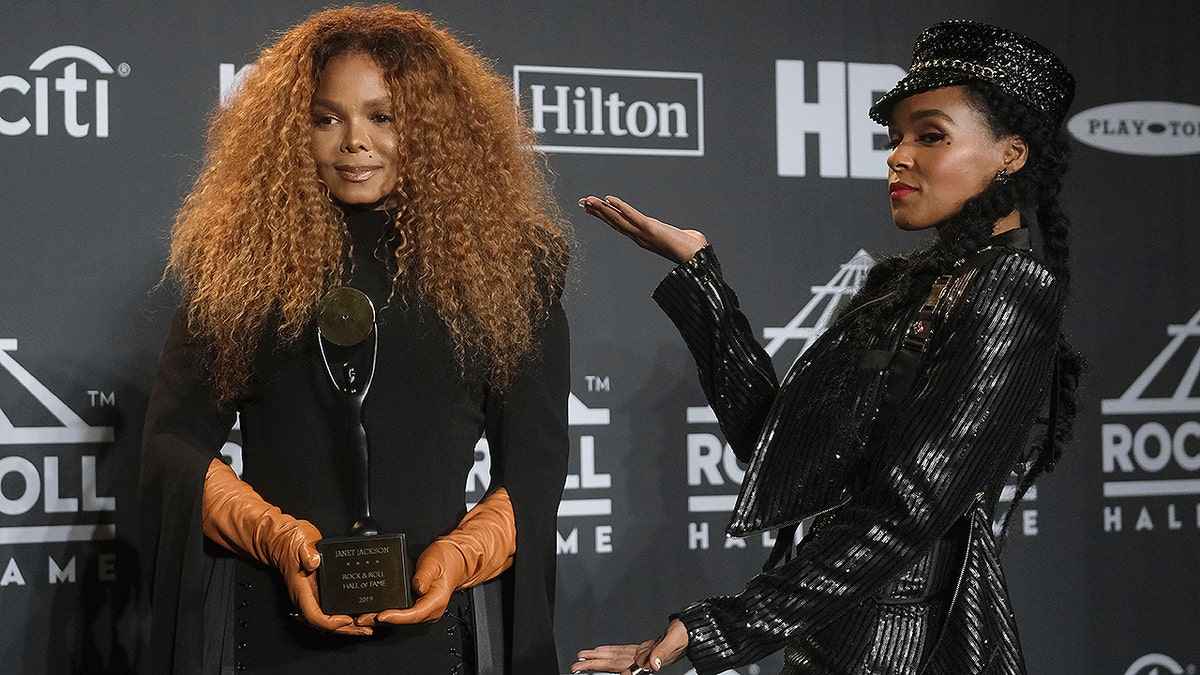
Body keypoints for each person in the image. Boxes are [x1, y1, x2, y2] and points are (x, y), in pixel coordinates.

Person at [573, 20, 1080, 675]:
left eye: (930, 135)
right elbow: (778, 451)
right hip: (834, 639)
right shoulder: (908, 285)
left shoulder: (1012, 286)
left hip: (901, 651)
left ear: (1011, 155)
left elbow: (906, 510)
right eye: (895, 137)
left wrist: (716, 630)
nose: (898, 155)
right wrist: (703, 282)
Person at [140, 6, 570, 674]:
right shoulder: (240, 263)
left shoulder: (512, 267)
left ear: (429, 128)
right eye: (326, 117)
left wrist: (457, 558)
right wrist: (278, 538)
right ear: (293, 129)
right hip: (271, 629)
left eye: (383, 116)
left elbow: (535, 467)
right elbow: (172, 444)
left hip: (437, 633)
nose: (355, 142)